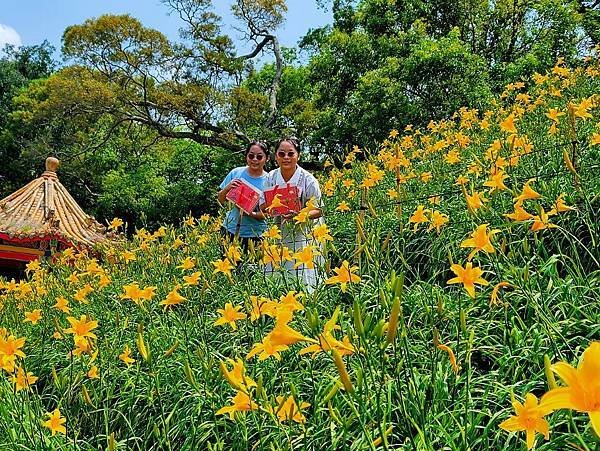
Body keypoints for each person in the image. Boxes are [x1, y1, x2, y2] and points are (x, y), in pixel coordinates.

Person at [260, 138, 324, 290]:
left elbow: (319, 210)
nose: (286, 157)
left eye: (291, 153)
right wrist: (274, 207)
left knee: (302, 271)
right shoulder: (270, 177)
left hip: (304, 232)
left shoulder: (308, 179)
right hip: (278, 230)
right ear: (276, 157)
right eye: (281, 154)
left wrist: (299, 215)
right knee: (277, 268)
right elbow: (263, 206)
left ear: (298, 156)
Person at [217, 141, 269, 250]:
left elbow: (268, 213)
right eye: (251, 156)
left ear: (267, 158)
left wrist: (251, 213)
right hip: (229, 230)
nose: (254, 159)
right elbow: (220, 200)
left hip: (256, 235)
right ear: (246, 156)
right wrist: (227, 188)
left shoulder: (270, 180)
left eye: (259, 157)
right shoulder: (236, 172)